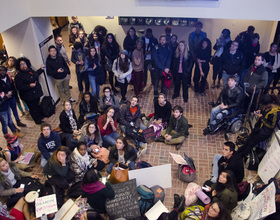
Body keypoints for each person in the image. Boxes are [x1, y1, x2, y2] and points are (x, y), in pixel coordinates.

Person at [14, 58, 45, 124]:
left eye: (24, 63)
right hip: (28, 96)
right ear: (19, 66)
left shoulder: (30, 70)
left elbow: (35, 75)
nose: (23, 65)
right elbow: (19, 87)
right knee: (33, 108)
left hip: (36, 93)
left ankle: (39, 117)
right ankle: (37, 120)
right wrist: (29, 86)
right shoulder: (18, 76)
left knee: (37, 105)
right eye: (21, 64)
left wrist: (41, 69)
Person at [188, 21, 207, 87]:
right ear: (195, 27)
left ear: (201, 27)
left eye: (199, 26)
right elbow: (190, 45)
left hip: (200, 55)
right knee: (190, 68)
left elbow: (204, 44)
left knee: (198, 69)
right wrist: (193, 54)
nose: (198, 28)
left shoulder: (204, 34)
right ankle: (188, 82)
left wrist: (200, 54)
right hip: (192, 54)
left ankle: (196, 82)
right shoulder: (191, 34)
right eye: (197, 26)